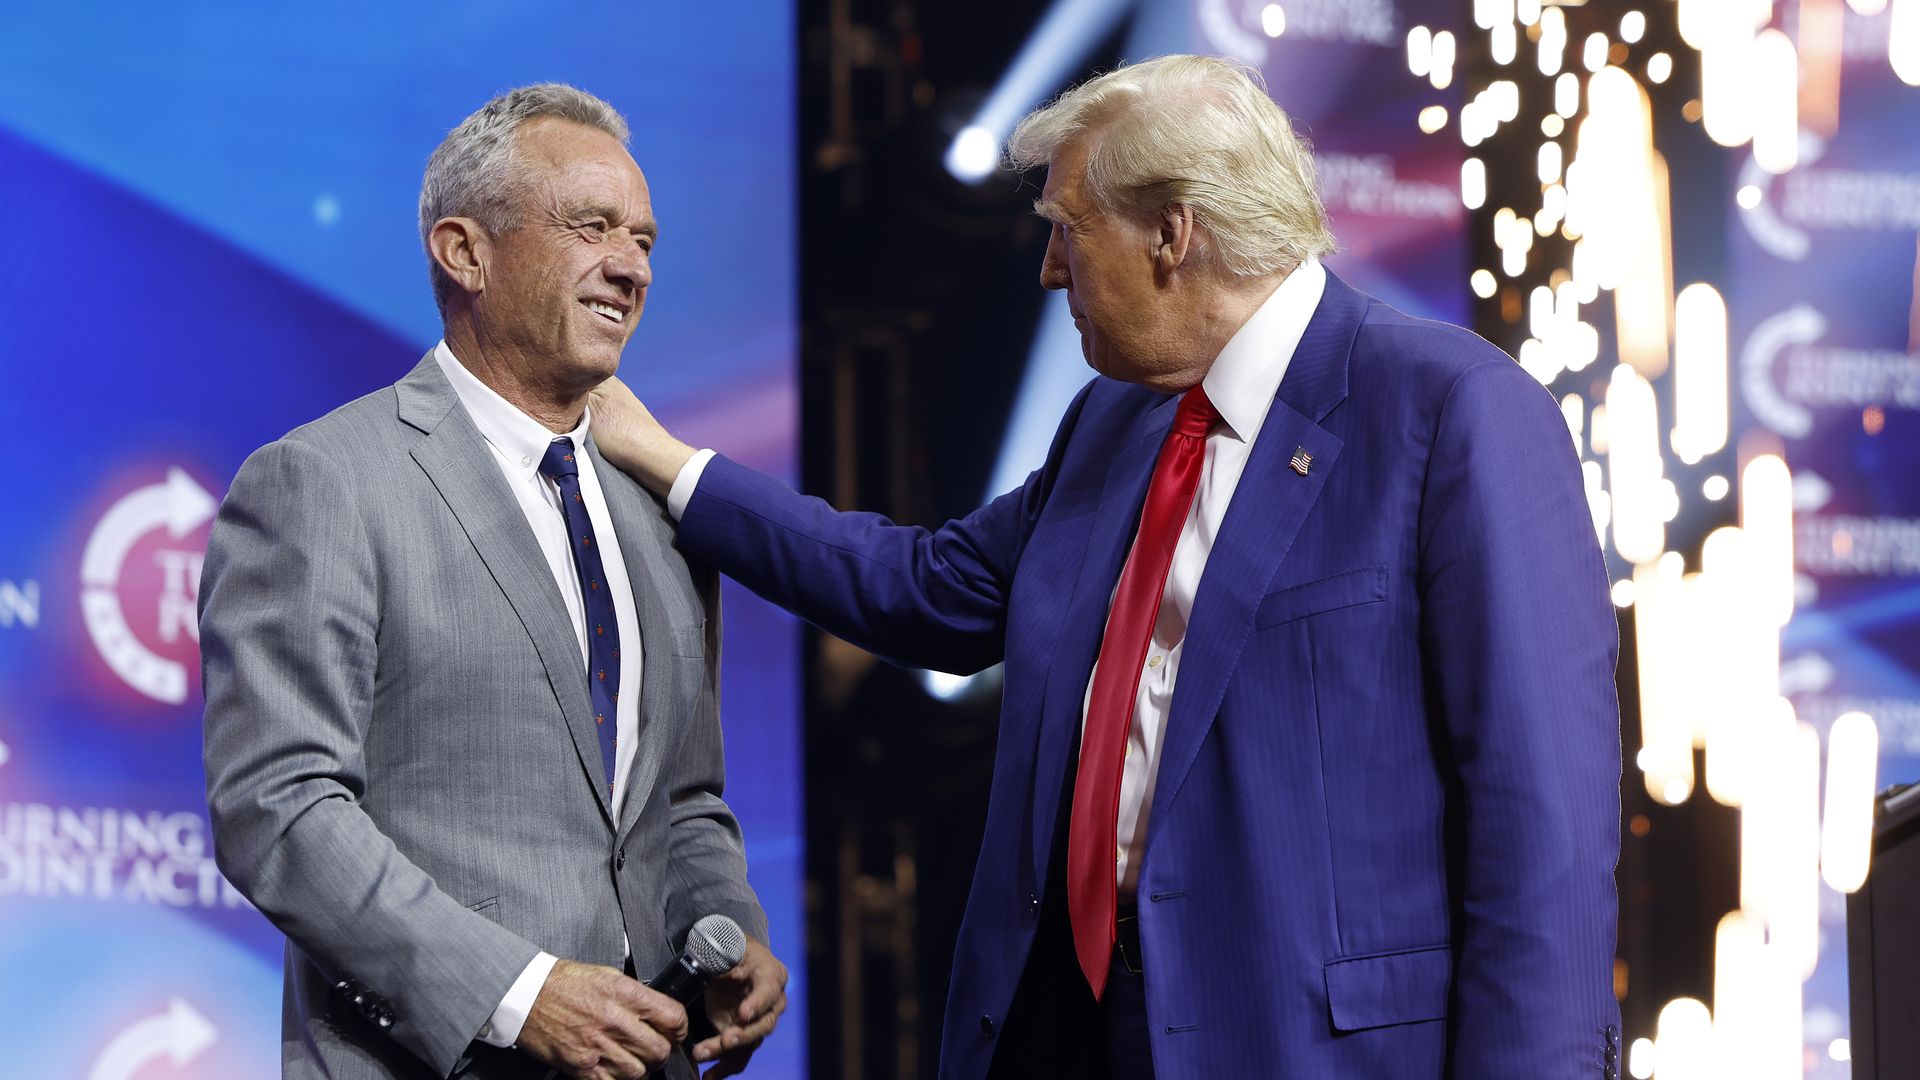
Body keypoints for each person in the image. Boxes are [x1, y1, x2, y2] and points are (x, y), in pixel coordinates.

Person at [591, 55, 1621, 1080]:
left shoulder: (1449, 411)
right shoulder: (1114, 421)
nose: (1049, 269)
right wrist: (671, 465)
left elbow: (1548, 831)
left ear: (1173, 232)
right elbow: (928, 590)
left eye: (1068, 227)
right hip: (1075, 1030)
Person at [200, 85, 787, 1080]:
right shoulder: (326, 481)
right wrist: (517, 994)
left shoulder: (661, 514)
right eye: (591, 227)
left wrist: (724, 927)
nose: (632, 266)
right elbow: (279, 805)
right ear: (464, 252)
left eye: (644, 240)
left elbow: (681, 802)